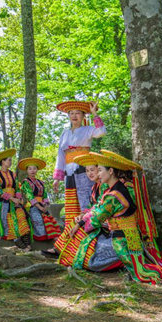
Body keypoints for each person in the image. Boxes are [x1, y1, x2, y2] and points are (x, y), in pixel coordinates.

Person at [69, 152, 162, 283]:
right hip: (127, 235)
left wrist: (81, 224)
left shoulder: (113, 195)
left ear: (110, 171)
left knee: (90, 259)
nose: (97, 174)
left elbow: (96, 219)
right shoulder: (115, 190)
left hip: (122, 240)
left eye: (99, 170)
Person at [48, 101, 106, 257]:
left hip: (84, 170)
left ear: (83, 116)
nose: (74, 116)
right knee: (71, 208)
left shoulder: (87, 130)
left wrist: (95, 114)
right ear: (68, 116)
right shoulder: (64, 133)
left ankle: (88, 245)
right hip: (69, 173)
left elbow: (101, 131)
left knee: (86, 205)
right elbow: (61, 155)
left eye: (78, 113)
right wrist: (57, 178)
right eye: (71, 113)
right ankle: (67, 246)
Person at [54, 153, 121, 271]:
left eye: (94, 170)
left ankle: (71, 256)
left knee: (79, 231)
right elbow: (92, 207)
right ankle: (62, 252)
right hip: (98, 219)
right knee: (74, 224)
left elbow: (99, 209)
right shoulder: (95, 187)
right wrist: (81, 216)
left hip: (107, 224)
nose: (90, 173)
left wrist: (82, 222)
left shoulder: (105, 187)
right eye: (87, 170)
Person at [0, 149, 30, 248]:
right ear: (2, 162)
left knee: (22, 217)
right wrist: (12, 199)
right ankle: (22, 246)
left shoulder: (13, 174)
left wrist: (19, 197)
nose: (10, 162)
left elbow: (17, 187)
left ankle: (28, 245)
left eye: (11, 160)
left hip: (15, 202)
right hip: (4, 202)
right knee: (8, 220)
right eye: (9, 160)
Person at [18, 158, 61, 242]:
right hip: (32, 206)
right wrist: (39, 207)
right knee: (38, 221)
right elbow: (29, 196)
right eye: (30, 169)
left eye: (34, 168)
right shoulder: (26, 182)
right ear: (27, 170)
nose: (32, 170)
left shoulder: (41, 182)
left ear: (37, 169)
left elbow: (44, 195)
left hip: (43, 206)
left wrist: (46, 206)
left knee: (50, 221)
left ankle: (56, 241)